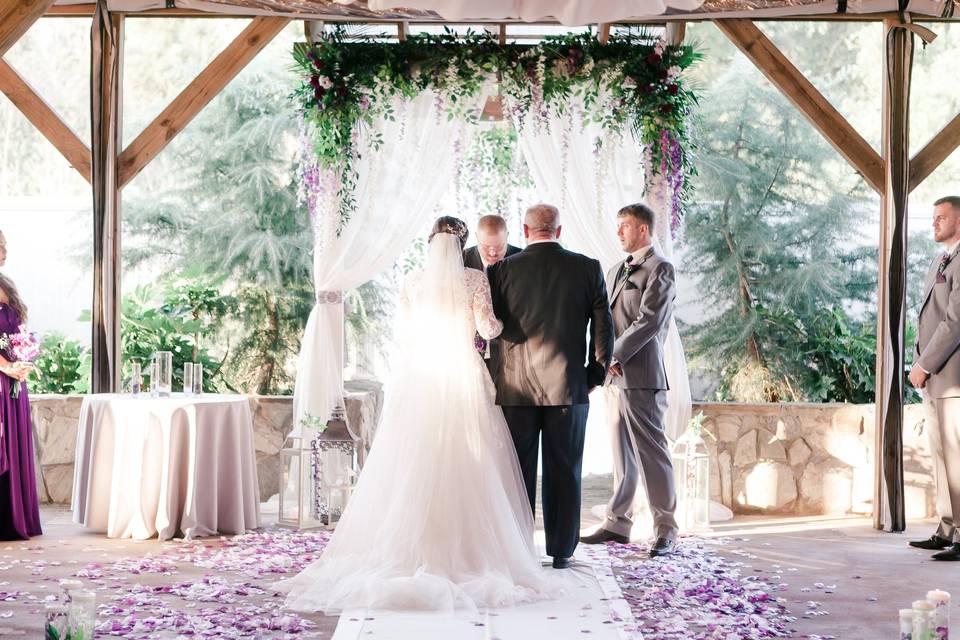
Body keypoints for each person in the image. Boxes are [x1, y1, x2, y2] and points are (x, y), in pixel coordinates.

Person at [279, 216, 560, 612]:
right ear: (462, 244)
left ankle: (410, 543)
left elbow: (406, 332)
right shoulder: (474, 280)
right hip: (462, 371)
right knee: (471, 458)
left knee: (414, 455)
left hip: (421, 374)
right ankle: (469, 548)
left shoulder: (413, 281)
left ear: (430, 243)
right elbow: (490, 328)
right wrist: (506, 320)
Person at [487, 204, 613, 569]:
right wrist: (593, 376)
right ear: (559, 231)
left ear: (525, 231)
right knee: (565, 468)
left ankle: (518, 548)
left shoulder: (502, 271)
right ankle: (561, 551)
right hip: (569, 386)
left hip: (515, 389)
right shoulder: (587, 268)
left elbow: (489, 329)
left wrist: (497, 377)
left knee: (517, 470)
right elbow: (603, 328)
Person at [580, 203, 678, 557]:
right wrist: (603, 360)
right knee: (621, 454)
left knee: (653, 453)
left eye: (624, 225)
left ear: (643, 230)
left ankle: (666, 527)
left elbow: (649, 321)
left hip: (642, 376)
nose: (618, 231)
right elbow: (602, 319)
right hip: (613, 376)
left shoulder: (661, 269)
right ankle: (618, 524)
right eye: (618, 225)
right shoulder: (614, 269)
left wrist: (616, 355)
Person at [909, 196, 960, 561]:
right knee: (941, 456)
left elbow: (955, 322)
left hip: (952, 376)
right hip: (933, 378)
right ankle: (946, 529)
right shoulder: (939, 261)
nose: (934, 223)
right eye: (933, 218)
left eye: (941, 217)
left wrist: (924, 365)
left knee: (957, 459)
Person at [0, 270, 41, 540]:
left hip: (15, 382)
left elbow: (19, 336)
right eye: (0, 245)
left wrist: (23, 361)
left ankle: (18, 515)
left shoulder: (7, 286)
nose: (4, 250)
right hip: (2, 379)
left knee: (15, 445)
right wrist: (7, 366)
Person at [462, 215, 521, 376]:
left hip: (512, 355)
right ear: (476, 238)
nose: (493, 252)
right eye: (486, 246)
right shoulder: (461, 261)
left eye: (499, 246)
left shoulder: (522, 260)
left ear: (507, 237)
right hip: (469, 356)